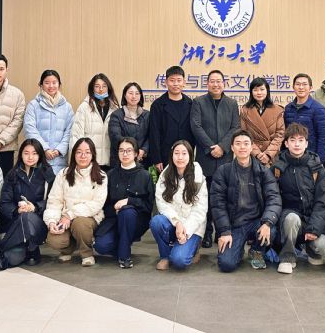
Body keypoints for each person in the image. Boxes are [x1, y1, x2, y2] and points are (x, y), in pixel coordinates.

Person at [272, 123, 325, 274]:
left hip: (312, 219)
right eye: (292, 140)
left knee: (324, 247)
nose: (297, 144)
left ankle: (311, 250)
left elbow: (324, 202)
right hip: (289, 219)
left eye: (301, 140)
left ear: (306, 143)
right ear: (286, 143)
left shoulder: (318, 169)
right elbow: (273, 199)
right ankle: (287, 258)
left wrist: (314, 228)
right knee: (291, 218)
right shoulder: (277, 168)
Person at [211, 130, 282, 272]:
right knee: (226, 264)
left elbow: (274, 198)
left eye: (246, 143)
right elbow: (217, 204)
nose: (242, 147)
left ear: (251, 147)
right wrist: (224, 231)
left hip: (256, 222)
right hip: (234, 225)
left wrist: (267, 222)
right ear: (232, 147)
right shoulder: (223, 171)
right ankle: (237, 250)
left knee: (272, 230)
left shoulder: (263, 171)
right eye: (238, 144)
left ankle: (256, 251)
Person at [190, 69, 240, 247]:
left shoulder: (232, 104)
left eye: (219, 81)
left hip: (225, 158)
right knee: (205, 198)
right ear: (207, 83)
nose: (216, 84)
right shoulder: (198, 102)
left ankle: (222, 231)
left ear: (224, 84)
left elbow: (235, 127)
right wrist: (211, 147)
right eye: (212, 81)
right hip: (206, 158)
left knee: (225, 197)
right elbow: (196, 126)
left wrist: (223, 147)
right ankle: (206, 233)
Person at [44, 137, 107, 266]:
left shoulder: (101, 176)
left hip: (88, 218)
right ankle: (68, 249)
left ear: (93, 155)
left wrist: (70, 215)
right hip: (64, 218)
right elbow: (54, 201)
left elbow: (96, 204)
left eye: (87, 152)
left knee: (80, 224)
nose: (83, 156)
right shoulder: (63, 174)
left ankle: (87, 253)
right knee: (54, 240)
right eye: (79, 152)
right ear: (73, 155)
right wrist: (51, 222)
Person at [94, 137, 155, 268]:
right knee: (101, 246)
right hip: (114, 220)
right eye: (121, 150)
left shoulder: (145, 176)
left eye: (129, 150)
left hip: (136, 221)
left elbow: (148, 206)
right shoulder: (111, 175)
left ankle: (124, 257)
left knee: (127, 212)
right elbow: (104, 204)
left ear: (136, 153)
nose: (125, 154)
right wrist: (115, 210)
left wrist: (129, 201)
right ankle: (123, 246)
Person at [0, 138, 57, 266]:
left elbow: (55, 201)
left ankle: (32, 247)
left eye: (34, 153)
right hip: (16, 221)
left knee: (27, 216)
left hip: (39, 220)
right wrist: (16, 210)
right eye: (26, 153)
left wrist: (35, 207)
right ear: (21, 154)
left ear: (40, 155)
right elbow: (5, 202)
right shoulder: (13, 174)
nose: (30, 157)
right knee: (12, 259)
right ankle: (22, 246)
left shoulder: (47, 173)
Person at [151, 140, 208, 270]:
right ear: (172, 156)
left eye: (184, 153)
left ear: (190, 156)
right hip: (173, 222)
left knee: (179, 261)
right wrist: (177, 223)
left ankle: (194, 248)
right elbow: (162, 203)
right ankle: (165, 256)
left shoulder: (198, 177)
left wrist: (185, 230)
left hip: (192, 227)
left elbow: (200, 210)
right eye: (176, 153)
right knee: (156, 222)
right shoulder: (165, 175)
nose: (180, 157)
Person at [23, 69, 74, 174]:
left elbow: (70, 131)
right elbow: (30, 129)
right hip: (38, 157)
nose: (51, 86)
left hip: (60, 159)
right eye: (47, 83)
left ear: (59, 84)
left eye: (54, 82)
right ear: (41, 85)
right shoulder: (33, 105)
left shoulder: (67, 107)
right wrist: (44, 149)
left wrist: (59, 150)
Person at [148, 66, 195, 172]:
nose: (175, 84)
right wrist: (157, 159)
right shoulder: (158, 105)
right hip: (165, 156)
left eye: (179, 80)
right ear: (166, 82)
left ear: (184, 82)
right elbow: (154, 133)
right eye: (172, 80)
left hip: (186, 155)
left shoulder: (191, 104)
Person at [71, 74, 119, 169]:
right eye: (97, 86)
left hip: (109, 162)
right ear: (92, 88)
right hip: (89, 161)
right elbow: (76, 135)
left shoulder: (115, 108)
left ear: (108, 88)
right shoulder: (84, 107)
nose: (101, 89)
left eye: (104, 86)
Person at [284, 73, 325, 166]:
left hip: (311, 159)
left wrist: (319, 161)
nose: (301, 87)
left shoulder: (319, 109)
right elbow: (285, 134)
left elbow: (323, 137)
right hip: (290, 158)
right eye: (298, 84)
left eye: (304, 84)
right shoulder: (288, 108)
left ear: (310, 87)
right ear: (293, 87)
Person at [239, 77, 285, 167]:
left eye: (262, 89)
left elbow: (280, 134)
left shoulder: (277, 110)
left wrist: (268, 154)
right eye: (255, 90)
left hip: (272, 156)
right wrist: (257, 153)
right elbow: (244, 133)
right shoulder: (245, 110)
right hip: (252, 154)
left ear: (267, 90)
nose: (259, 93)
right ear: (251, 92)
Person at [108, 82, 150, 168]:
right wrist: (132, 151)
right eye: (130, 93)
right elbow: (115, 137)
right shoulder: (116, 115)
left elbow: (151, 136)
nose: (134, 96)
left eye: (137, 93)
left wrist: (143, 150)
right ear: (124, 95)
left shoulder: (147, 115)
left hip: (142, 161)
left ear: (141, 96)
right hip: (121, 161)